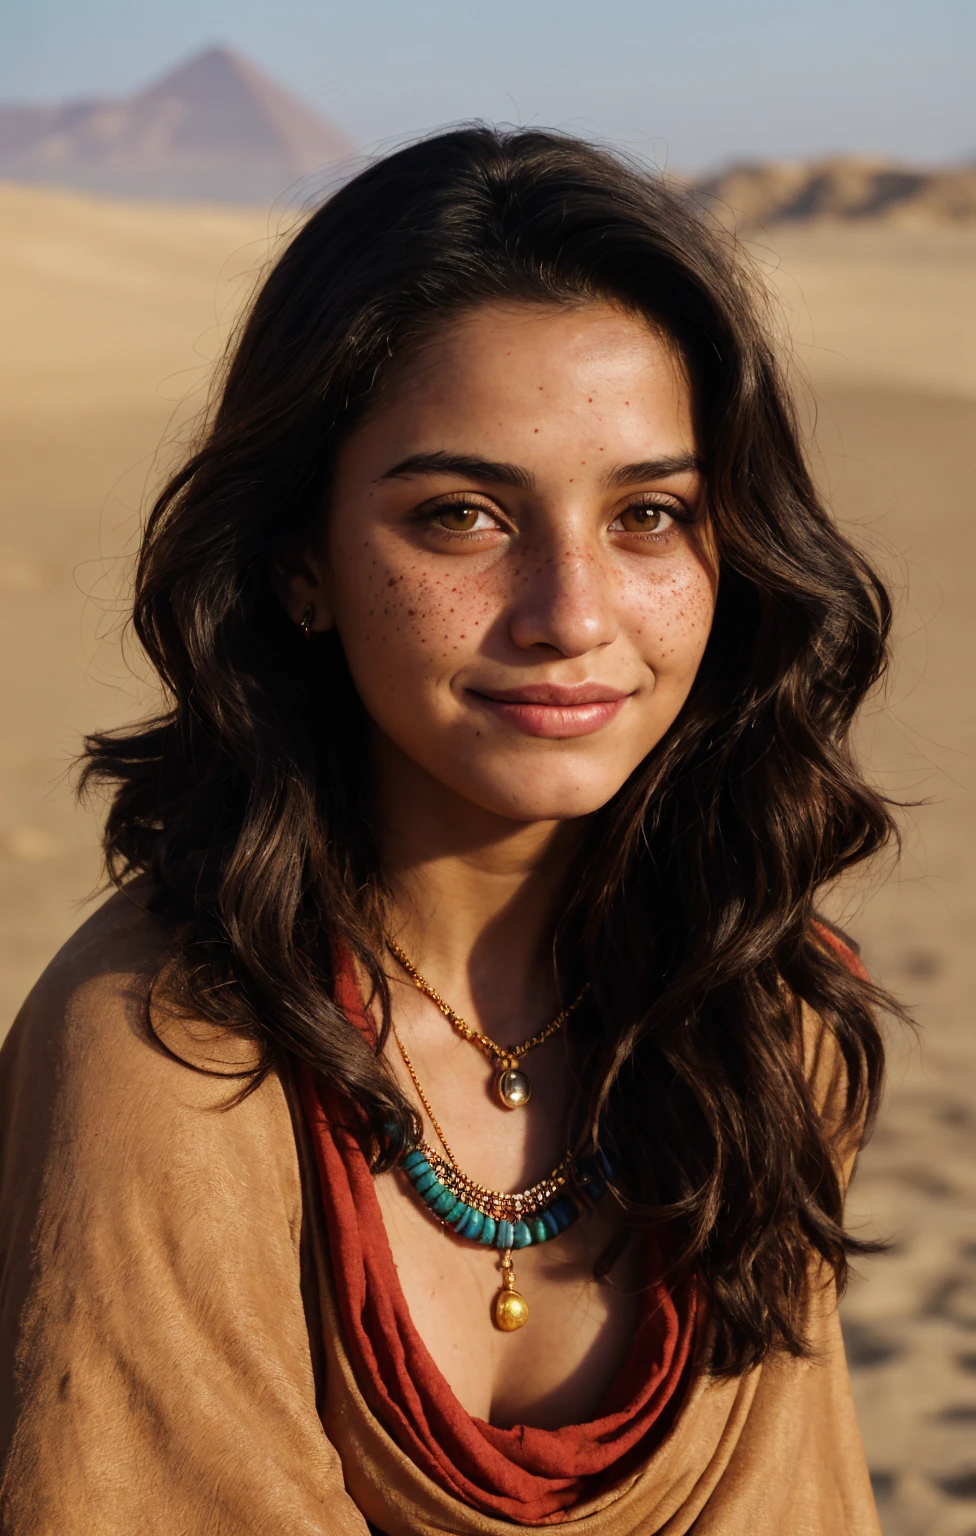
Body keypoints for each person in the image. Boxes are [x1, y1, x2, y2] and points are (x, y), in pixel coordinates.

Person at [0, 127, 898, 1534]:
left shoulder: (761, 1022)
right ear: (301, 563)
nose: (572, 614)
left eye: (650, 515)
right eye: (463, 515)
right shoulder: (171, 1052)